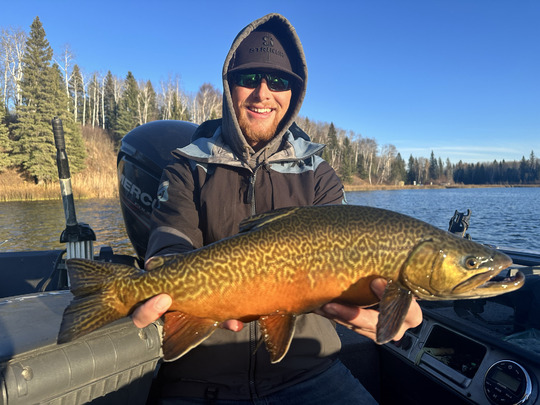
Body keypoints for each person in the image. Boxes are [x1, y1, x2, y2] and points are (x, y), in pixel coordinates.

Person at [133, 13, 422, 404]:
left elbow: (348, 270)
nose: (263, 93)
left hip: (310, 370)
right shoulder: (187, 165)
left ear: (294, 94)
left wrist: (387, 305)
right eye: (249, 78)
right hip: (200, 377)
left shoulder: (319, 175)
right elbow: (171, 241)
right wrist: (163, 273)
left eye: (279, 81)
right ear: (228, 85)